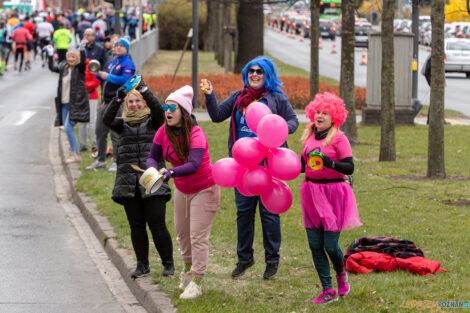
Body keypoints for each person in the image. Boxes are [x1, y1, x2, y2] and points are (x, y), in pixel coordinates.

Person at [201, 56, 299, 280]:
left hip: (270, 166)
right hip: (243, 167)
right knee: (244, 213)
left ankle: (272, 261)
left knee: (269, 215)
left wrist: (279, 127)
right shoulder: (238, 97)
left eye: (259, 72)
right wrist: (209, 95)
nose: (254, 75)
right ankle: (244, 258)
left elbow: (293, 121)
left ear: (268, 75)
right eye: (251, 71)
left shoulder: (276, 99)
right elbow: (216, 116)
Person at [147, 85, 220, 300]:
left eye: (172, 108)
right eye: (165, 107)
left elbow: (194, 164)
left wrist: (169, 171)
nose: (167, 111)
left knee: (198, 236)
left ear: (184, 112)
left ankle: (196, 281)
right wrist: (152, 169)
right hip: (182, 189)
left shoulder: (197, 134)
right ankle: (187, 274)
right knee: (182, 233)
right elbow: (153, 155)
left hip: (204, 189)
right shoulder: (163, 131)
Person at [102, 77, 175, 279]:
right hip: (129, 183)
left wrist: (145, 90)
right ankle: (142, 265)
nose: (134, 105)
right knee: (136, 226)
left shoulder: (155, 123)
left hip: (152, 180)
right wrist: (117, 98)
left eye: (138, 101)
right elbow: (106, 119)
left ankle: (168, 264)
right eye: (130, 102)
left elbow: (160, 112)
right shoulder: (122, 125)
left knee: (157, 225)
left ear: (144, 103)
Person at [299, 92, 361, 304]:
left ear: (334, 117)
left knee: (330, 245)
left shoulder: (338, 138)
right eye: (317, 111)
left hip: (333, 194)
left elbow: (349, 167)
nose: (320, 116)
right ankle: (328, 290)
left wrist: (328, 162)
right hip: (310, 192)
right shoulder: (308, 136)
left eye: (325, 113)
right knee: (314, 244)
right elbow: (301, 166)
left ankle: (341, 275)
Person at [86, 36, 135, 171]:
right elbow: (103, 77)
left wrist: (106, 76)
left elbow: (126, 80)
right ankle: (101, 160)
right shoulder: (112, 61)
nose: (118, 47)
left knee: (115, 133)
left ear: (126, 49)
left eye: (122, 46)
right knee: (99, 131)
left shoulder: (128, 64)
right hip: (106, 101)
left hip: (117, 102)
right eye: (117, 45)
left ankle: (117, 162)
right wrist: (96, 73)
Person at [47, 41, 90, 163]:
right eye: (69, 57)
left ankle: (75, 154)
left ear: (77, 58)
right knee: (67, 128)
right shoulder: (63, 68)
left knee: (68, 127)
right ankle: (74, 154)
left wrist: (81, 49)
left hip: (75, 103)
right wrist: (50, 55)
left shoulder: (79, 69)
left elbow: (83, 62)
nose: (71, 59)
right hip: (64, 103)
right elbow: (52, 67)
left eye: (73, 57)